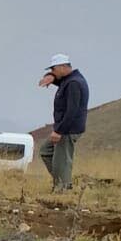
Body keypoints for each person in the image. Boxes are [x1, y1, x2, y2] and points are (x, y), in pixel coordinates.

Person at [38, 54, 88, 193]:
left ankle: (62, 190)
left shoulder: (73, 83)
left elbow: (72, 111)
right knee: (46, 151)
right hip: (66, 128)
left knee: (62, 160)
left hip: (68, 129)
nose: (53, 71)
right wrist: (51, 76)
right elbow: (61, 81)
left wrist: (59, 131)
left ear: (62, 67)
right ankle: (63, 183)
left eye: (54, 69)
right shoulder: (70, 80)